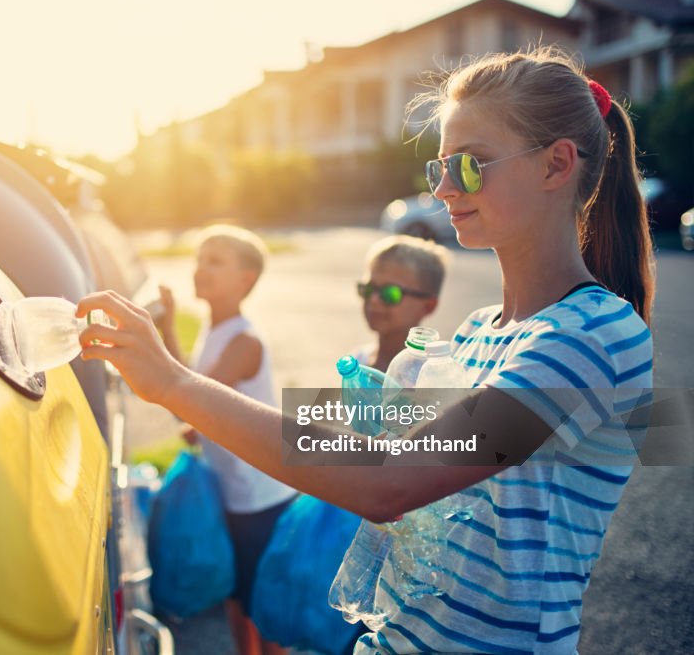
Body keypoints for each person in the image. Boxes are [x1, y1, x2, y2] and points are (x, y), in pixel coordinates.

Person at [79, 46, 654, 654]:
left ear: (556, 164)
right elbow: (395, 469)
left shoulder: (591, 337)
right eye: (438, 169)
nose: (444, 190)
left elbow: (389, 484)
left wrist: (174, 384)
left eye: (470, 165)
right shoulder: (480, 329)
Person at [154, 225, 295, 655]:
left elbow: (188, 399)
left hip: (258, 496)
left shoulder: (244, 341)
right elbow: (194, 393)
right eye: (199, 258)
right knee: (237, 597)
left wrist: (158, 335)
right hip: (233, 491)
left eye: (215, 261)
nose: (201, 268)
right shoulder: (214, 331)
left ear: (245, 280)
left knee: (263, 607)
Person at [351, 235, 449, 371]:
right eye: (368, 288)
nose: (373, 299)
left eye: (390, 293)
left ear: (428, 306)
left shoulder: (429, 374)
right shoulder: (359, 359)